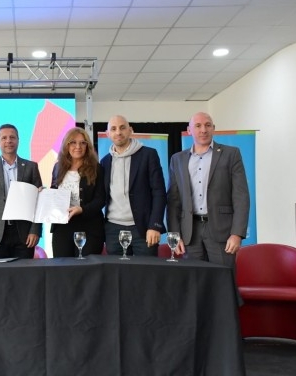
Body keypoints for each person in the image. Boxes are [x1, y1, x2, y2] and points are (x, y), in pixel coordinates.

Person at [166, 112, 250, 267]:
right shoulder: (177, 159)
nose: (203, 130)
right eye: (198, 126)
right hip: (190, 232)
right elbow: (173, 200)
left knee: (223, 277)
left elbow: (241, 196)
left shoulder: (231, 154)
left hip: (222, 231)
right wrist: (174, 235)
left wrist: (237, 234)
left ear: (213, 128)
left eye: (207, 125)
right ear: (189, 130)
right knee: (194, 279)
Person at [100, 115, 167, 256]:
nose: (118, 132)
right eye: (113, 129)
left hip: (144, 228)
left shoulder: (148, 155)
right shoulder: (105, 162)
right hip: (113, 230)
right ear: (108, 134)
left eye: (122, 128)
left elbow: (159, 193)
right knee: (117, 270)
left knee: (146, 269)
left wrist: (155, 225)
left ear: (130, 130)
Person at [0, 124, 42, 259]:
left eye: (12, 137)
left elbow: (38, 202)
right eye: (4, 138)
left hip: (25, 234)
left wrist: (35, 230)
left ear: (18, 140)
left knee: (24, 271)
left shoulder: (31, 167)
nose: (8, 141)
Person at [50, 127, 105, 257]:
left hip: (89, 227)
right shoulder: (58, 167)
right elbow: (54, 193)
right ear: (66, 145)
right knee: (61, 266)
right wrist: (43, 194)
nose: (78, 147)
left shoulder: (96, 168)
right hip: (62, 227)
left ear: (87, 146)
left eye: (82, 143)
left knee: (85, 267)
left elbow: (101, 199)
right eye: (73, 142)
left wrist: (82, 209)